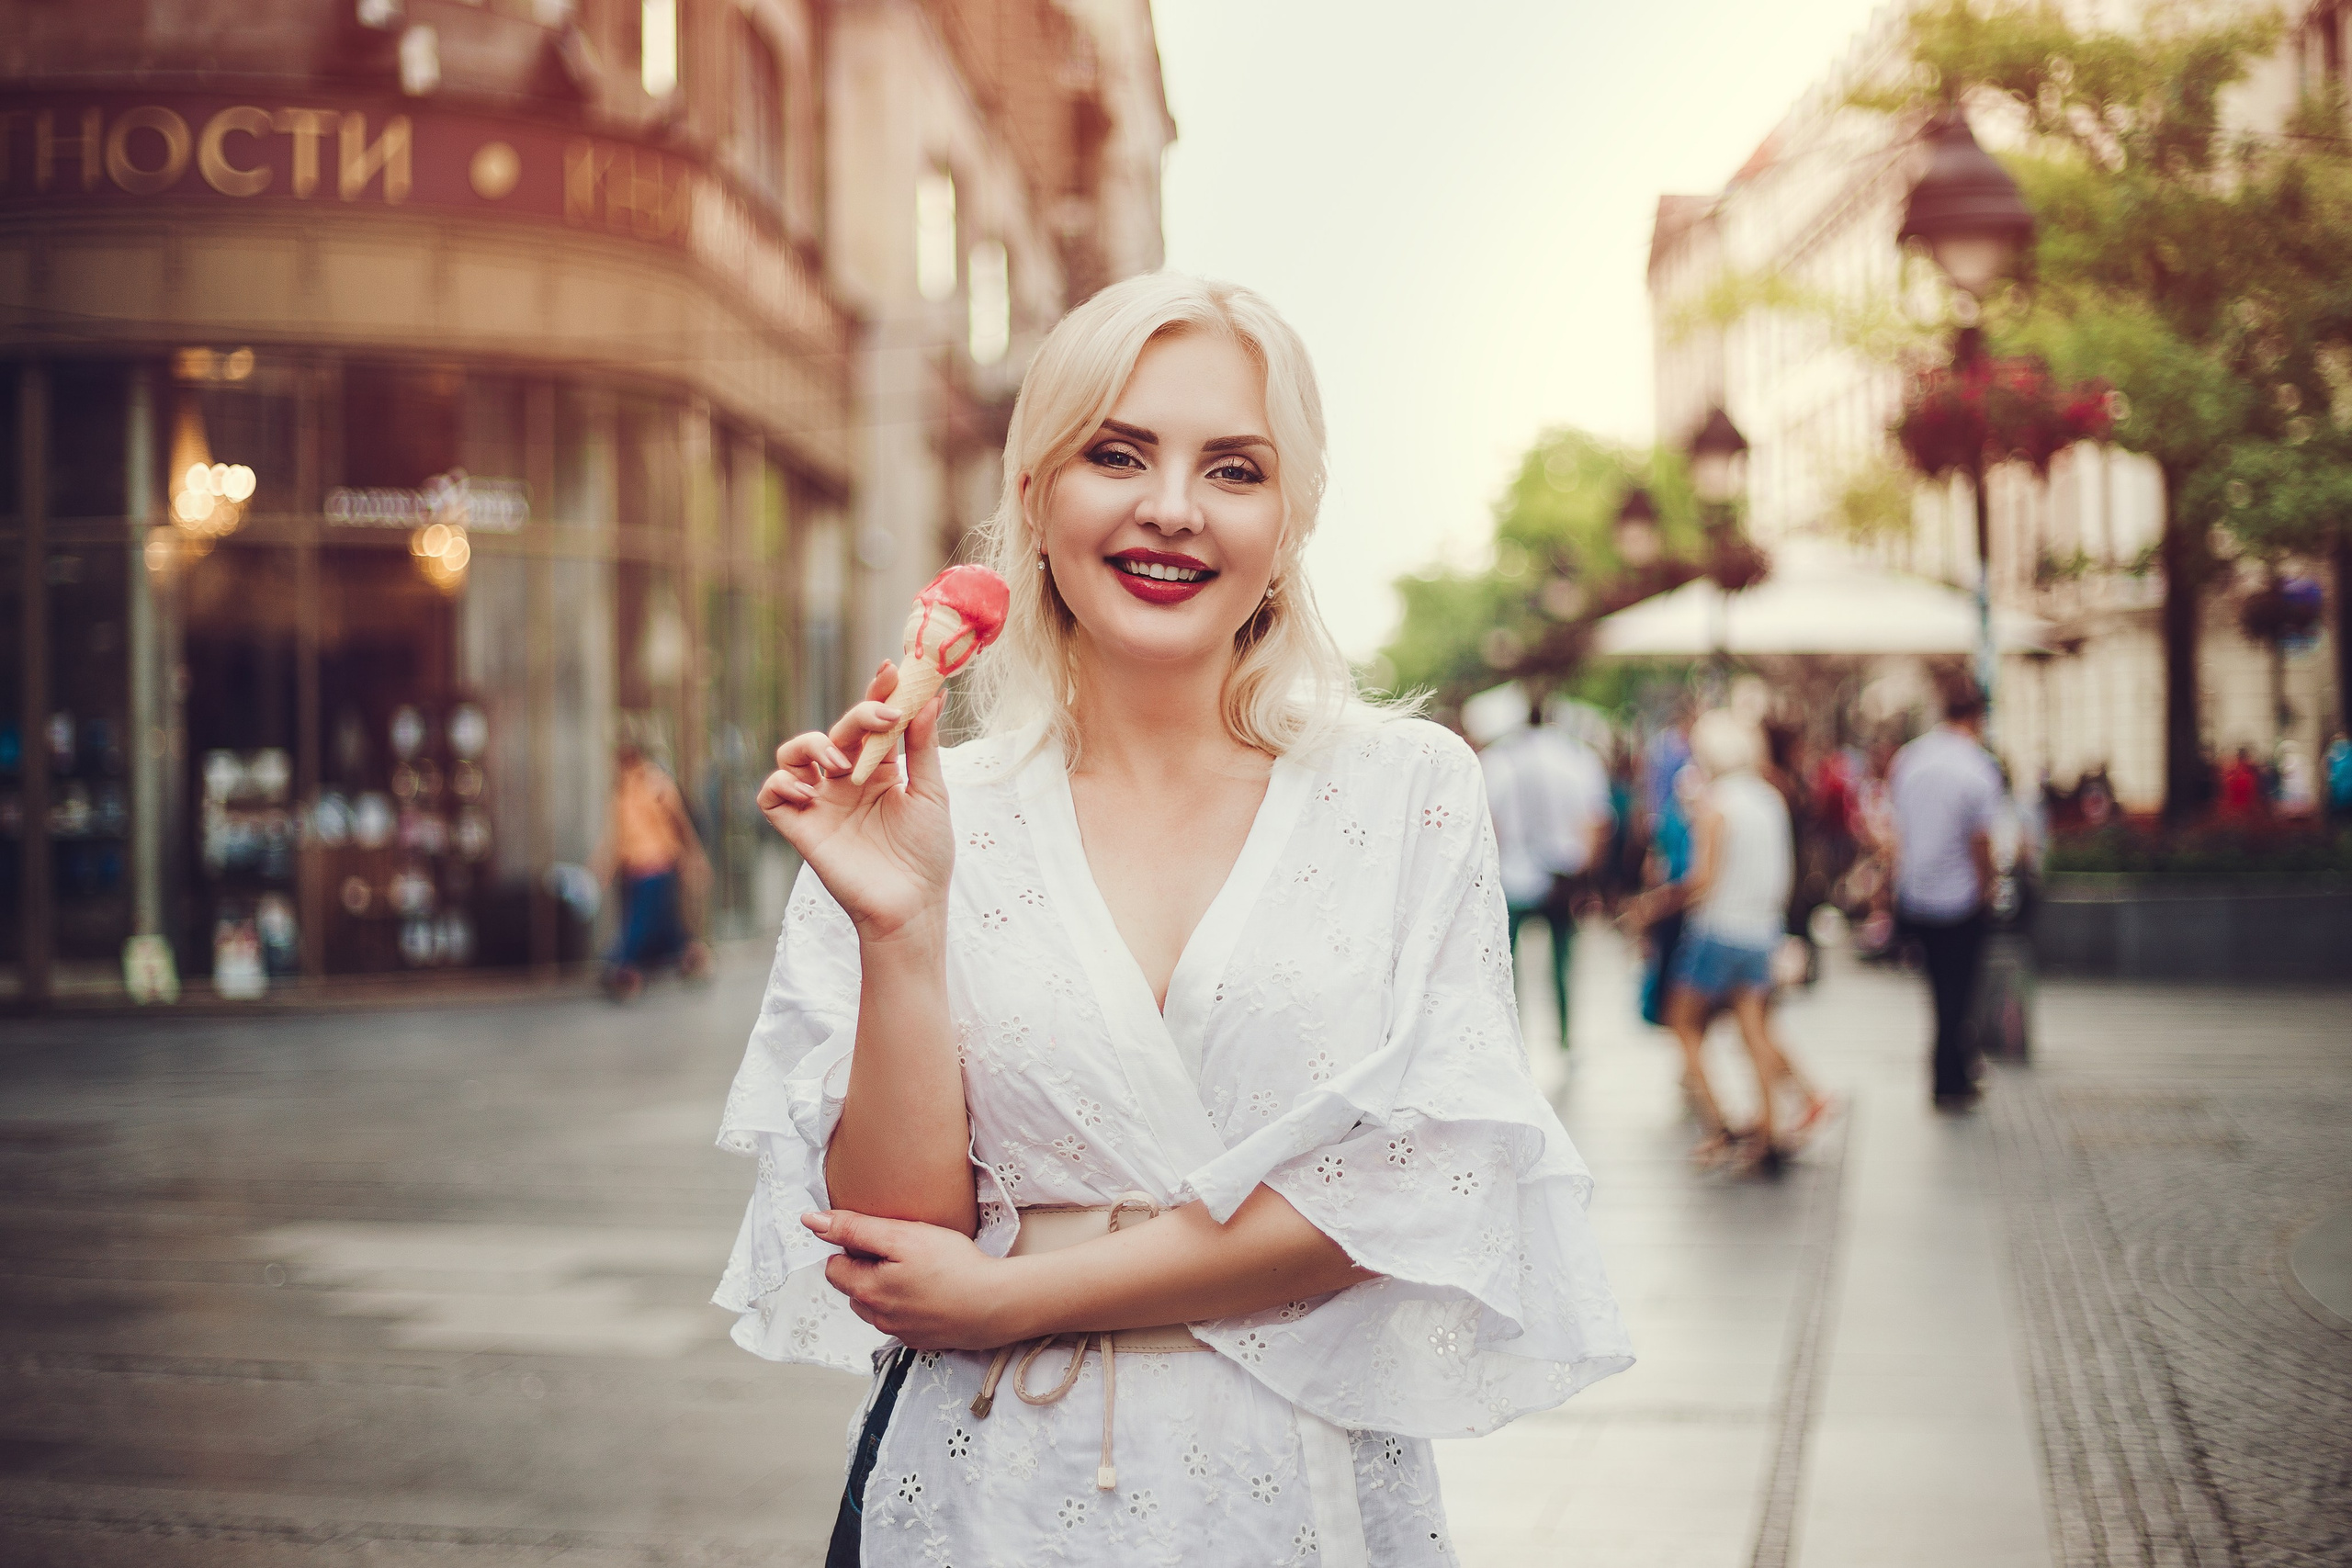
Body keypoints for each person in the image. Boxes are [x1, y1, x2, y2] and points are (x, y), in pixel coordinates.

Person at [718, 275, 1631, 1568]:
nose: (1172, 507)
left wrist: (1018, 1290)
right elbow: (897, 1241)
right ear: (1035, 496)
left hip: (1297, 1487)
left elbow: (1412, 1187)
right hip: (987, 1496)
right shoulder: (917, 809)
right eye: (1118, 451)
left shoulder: (1403, 789)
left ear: (1289, 522)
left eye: (1235, 468)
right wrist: (901, 928)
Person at [1638, 711, 1827, 1173]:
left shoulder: (1716, 802)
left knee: (1681, 1023)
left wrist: (1657, 904)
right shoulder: (1769, 798)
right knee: (1755, 1028)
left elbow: (1702, 879)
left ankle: (1721, 1120)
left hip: (1718, 930)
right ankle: (1767, 1130)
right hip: (1761, 930)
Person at [1889, 682, 2006, 1111]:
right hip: (1959, 897)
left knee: (1938, 986)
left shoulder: (1911, 759)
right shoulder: (1978, 768)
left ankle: (1951, 1067)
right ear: (1977, 716)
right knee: (1960, 988)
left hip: (1916, 893)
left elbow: (1896, 829)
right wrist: (1988, 885)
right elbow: (1981, 840)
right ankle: (1949, 1076)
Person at [1478, 697, 1612, 1050]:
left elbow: (1491, 826)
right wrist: (1586, 873)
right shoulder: (1579, 758)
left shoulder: (1496, 761)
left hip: (1510, 877)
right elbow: (1597, 822)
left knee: (1506, 965)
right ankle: (1566, 1034)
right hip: (1561, 876)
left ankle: (1511, 1035)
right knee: (1563, 962)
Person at [591, 742, 710, 1000]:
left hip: (658, 864)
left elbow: (680, 823)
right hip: (635, 868)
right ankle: (690, 952)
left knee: (640, 921)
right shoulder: (622, 790)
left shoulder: (656, 784)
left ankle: (623, 966)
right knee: (661, 922)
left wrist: (695, 857)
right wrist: (603, 865)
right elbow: (615, 834)